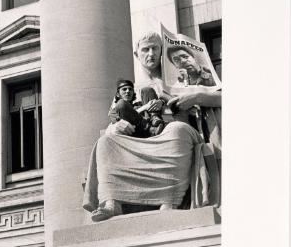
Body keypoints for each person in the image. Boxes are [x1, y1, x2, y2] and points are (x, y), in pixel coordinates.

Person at [83, 30, 221, 222]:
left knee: (177, 130)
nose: (151, 54)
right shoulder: (131, 90)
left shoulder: (185, 78)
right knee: (106, 142)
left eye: (155, 48)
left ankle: (169, 201)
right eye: (145, 49)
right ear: (136, 54)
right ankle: (111, 202)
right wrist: (115, 127)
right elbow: (113, 119)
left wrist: (197, 97)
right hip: (141, 136)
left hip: (176, 133)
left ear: (163, 50)